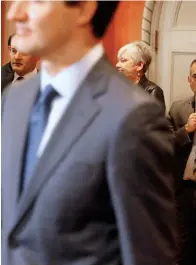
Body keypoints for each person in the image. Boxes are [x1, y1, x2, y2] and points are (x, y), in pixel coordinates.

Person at [2, 2, 176, 265]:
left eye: (36, 1)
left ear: (84, 9)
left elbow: (148, 255)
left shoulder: (133, 117)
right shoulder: (15, 99)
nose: (15, 14)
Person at [168, 59, 196, 265]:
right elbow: (164, 144)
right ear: (189, 80)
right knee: (182, 246)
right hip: (184, 189)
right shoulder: (178, 109)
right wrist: (185, 130)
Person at [116, 41, 165, 110]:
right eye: (118, 61)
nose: (117, 65)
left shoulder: (152, 91)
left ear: (139, 65)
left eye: (123, 60)